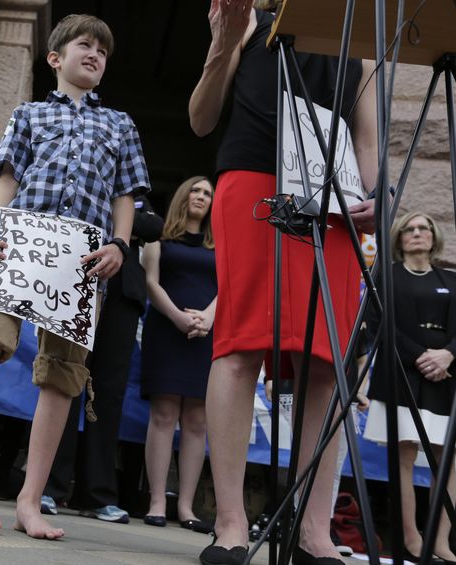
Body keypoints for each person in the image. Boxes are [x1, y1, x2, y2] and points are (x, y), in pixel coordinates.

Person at [0, 13, 149, 539]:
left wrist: (120, 243)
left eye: (103, 50)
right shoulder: (27, 113)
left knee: (64, 371)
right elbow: (7, 177)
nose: (95, 54)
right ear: (55, 57)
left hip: (83, 257)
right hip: (22, 243)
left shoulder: (119, 123)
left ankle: (33, 497)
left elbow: (126, 194)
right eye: (84, 45)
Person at [188, 1, 378, 563]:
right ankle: (230, 522)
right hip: (254, 177)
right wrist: (224, 41)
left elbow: (366, 140)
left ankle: (315, 529)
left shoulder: (359, 42)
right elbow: (201, 118)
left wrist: (376, 196)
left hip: (334, 197)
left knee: (327, 360)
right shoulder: (249, 17)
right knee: (242, 343)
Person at [40, 193, 163, 523]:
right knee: (65, 382)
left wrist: (119, 219)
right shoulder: (88, 184)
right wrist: (125, 226)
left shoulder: (136, 196)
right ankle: (48, 487)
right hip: (80, 283)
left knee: (108, 395)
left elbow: (153, 226)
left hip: (123, 295)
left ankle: (98, 495)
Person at [364, 212, 456, 563]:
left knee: (446, 460)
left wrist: (447, 355)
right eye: (409, 229)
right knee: (402, 454)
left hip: (445, 376)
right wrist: (421, 357)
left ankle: (440, 539)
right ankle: (411, 537)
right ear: (399, 238)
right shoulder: (385, 276)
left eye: (424, 228)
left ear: (433, 237)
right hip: (401, 372)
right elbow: (378, 323)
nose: (417, 233)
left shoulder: (450, 278)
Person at [140, 176, 216, 532]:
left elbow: (229, 285)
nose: (201, 197)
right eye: (196, 191)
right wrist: (179, 318)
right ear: (183, 196)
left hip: (206, 333)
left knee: (198, 420)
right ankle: (157, 499)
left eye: (208, 194)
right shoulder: (159, 237)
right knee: (164, 412)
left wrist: (209, 317)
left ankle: (186, 506)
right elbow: (151, 282)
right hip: (167, 329)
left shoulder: (222, 243)